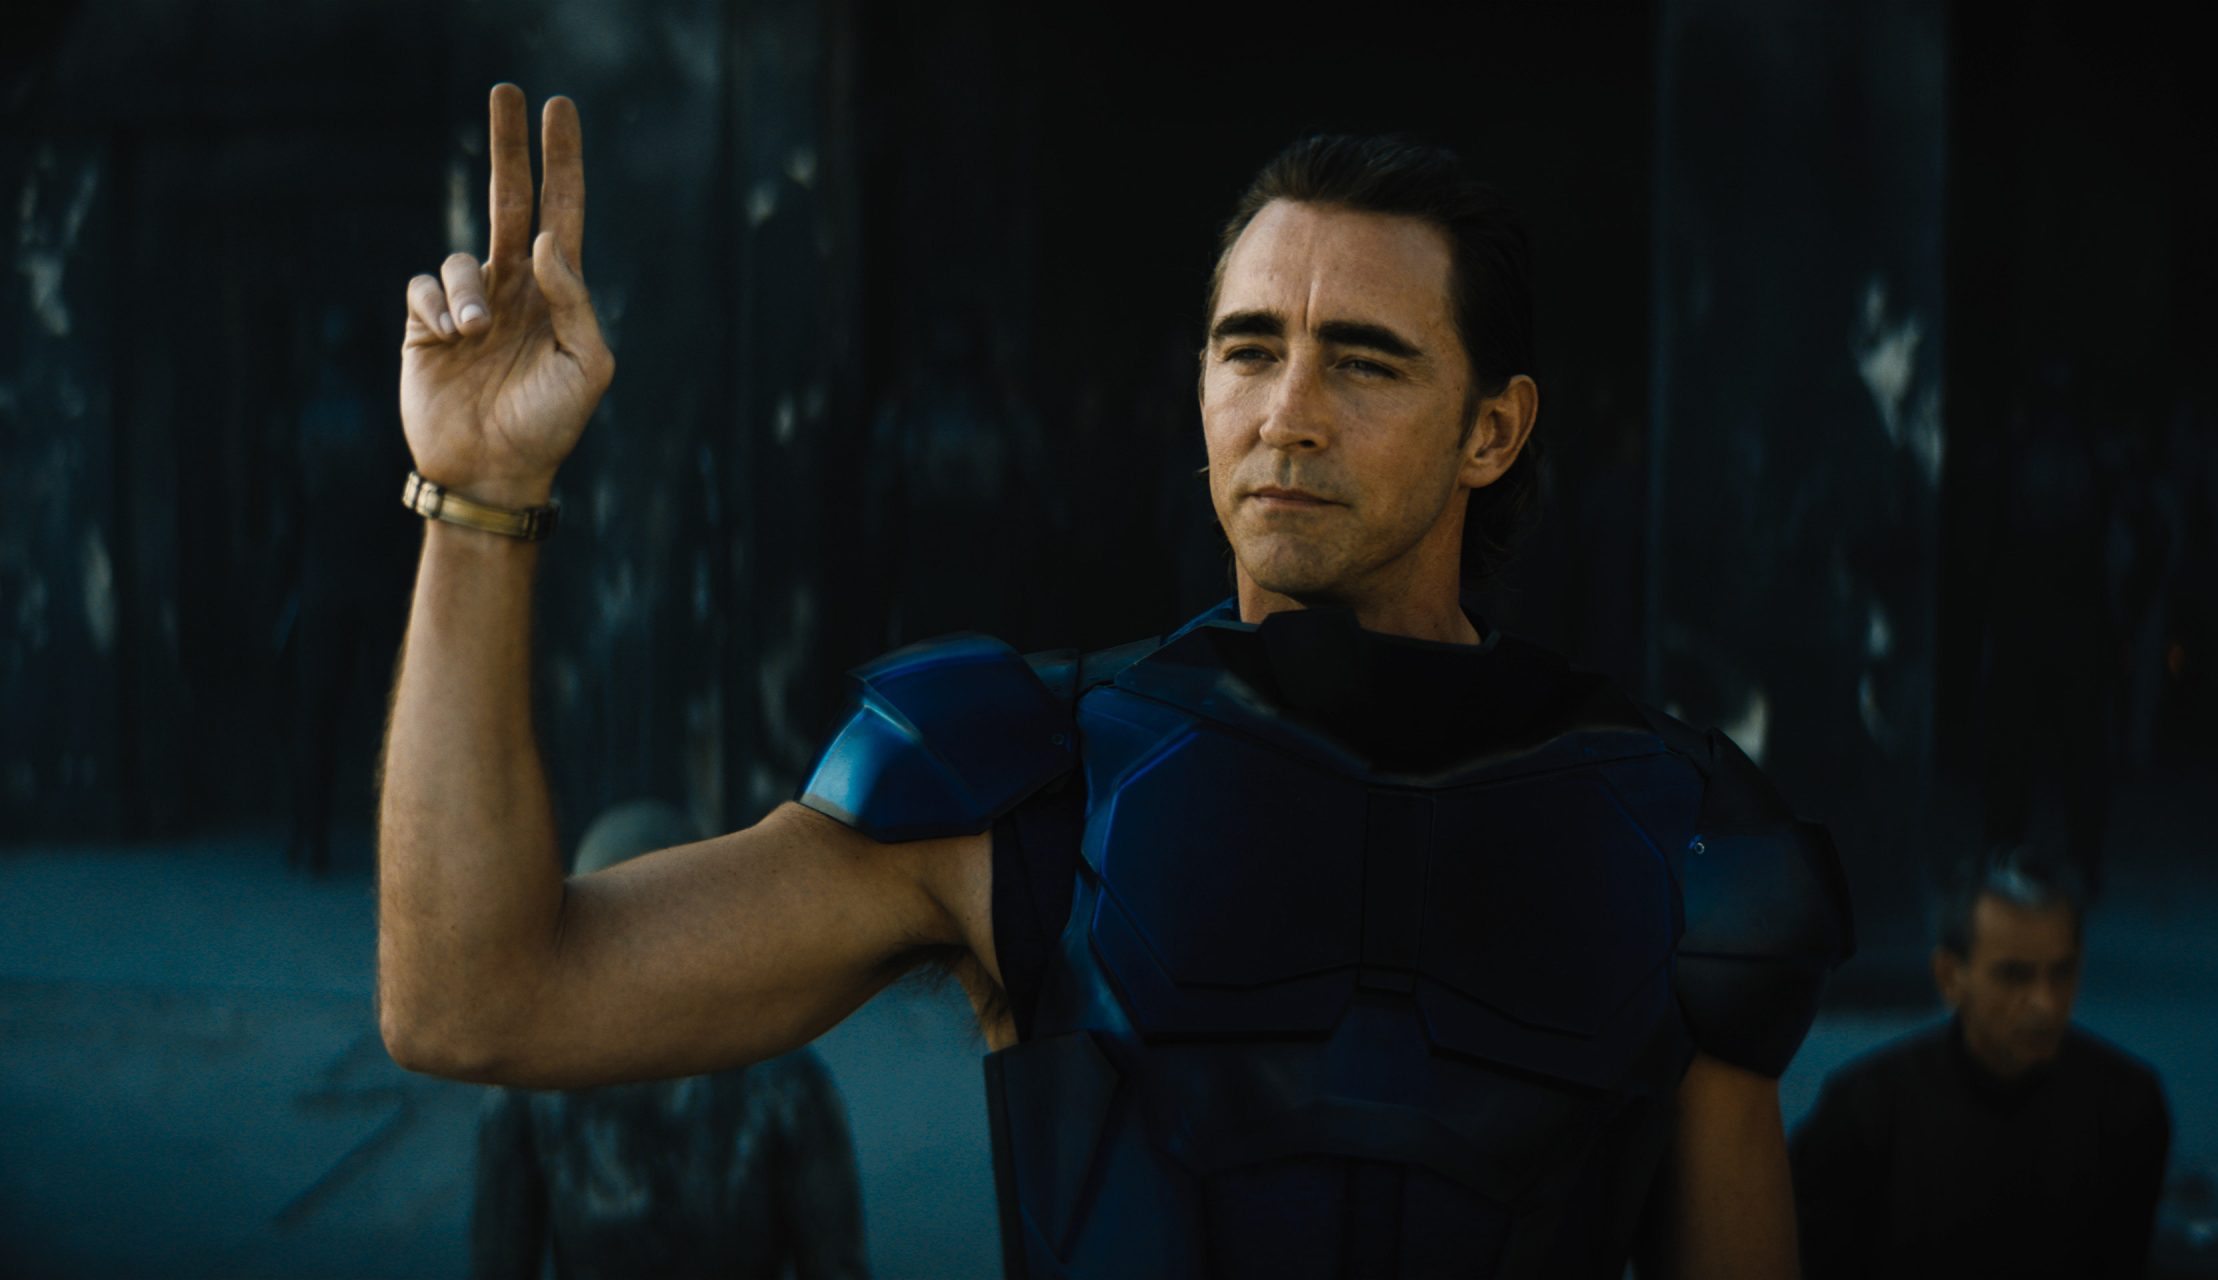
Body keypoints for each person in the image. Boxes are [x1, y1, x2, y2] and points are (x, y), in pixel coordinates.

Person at [377, 84, 1852, 1279]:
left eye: (1365, 362)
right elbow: (475, 999)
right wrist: (481, 497)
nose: (1287, 414)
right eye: (1249, 349)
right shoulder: (1027, 777)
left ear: (1493, 430)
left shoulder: (1677, 833)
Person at [470, 801, 870, 1280]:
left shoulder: (784, 1083)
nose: (634, 956)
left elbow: (836, 1265)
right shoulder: (529, 1094)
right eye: (609, 930)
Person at [1787, 850, 2169, 1279]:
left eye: (2062, 972)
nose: (2044, 1003)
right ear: (1950, 976)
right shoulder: (1865, 1114)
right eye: (2014, 975)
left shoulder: (2125, 1106)